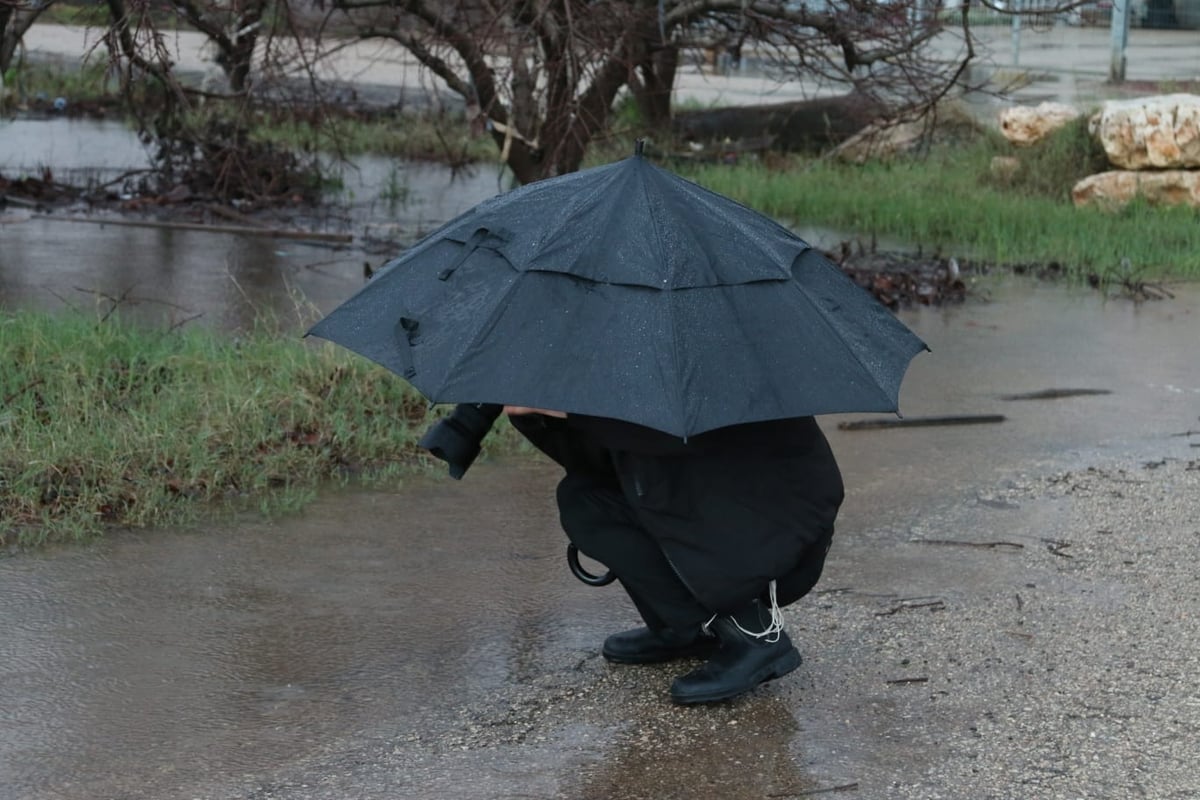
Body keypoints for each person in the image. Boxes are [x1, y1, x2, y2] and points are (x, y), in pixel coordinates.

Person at [503, 406, 844, 705]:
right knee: (587, 501)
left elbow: (669, 438)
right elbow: (599, 466)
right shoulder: (638, 363)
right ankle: (686, 629)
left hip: (781, 534)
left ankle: (755, 634)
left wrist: (575, 413)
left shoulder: (703, 356)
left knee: (659, 491)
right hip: (726, 516)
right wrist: (539, 419)